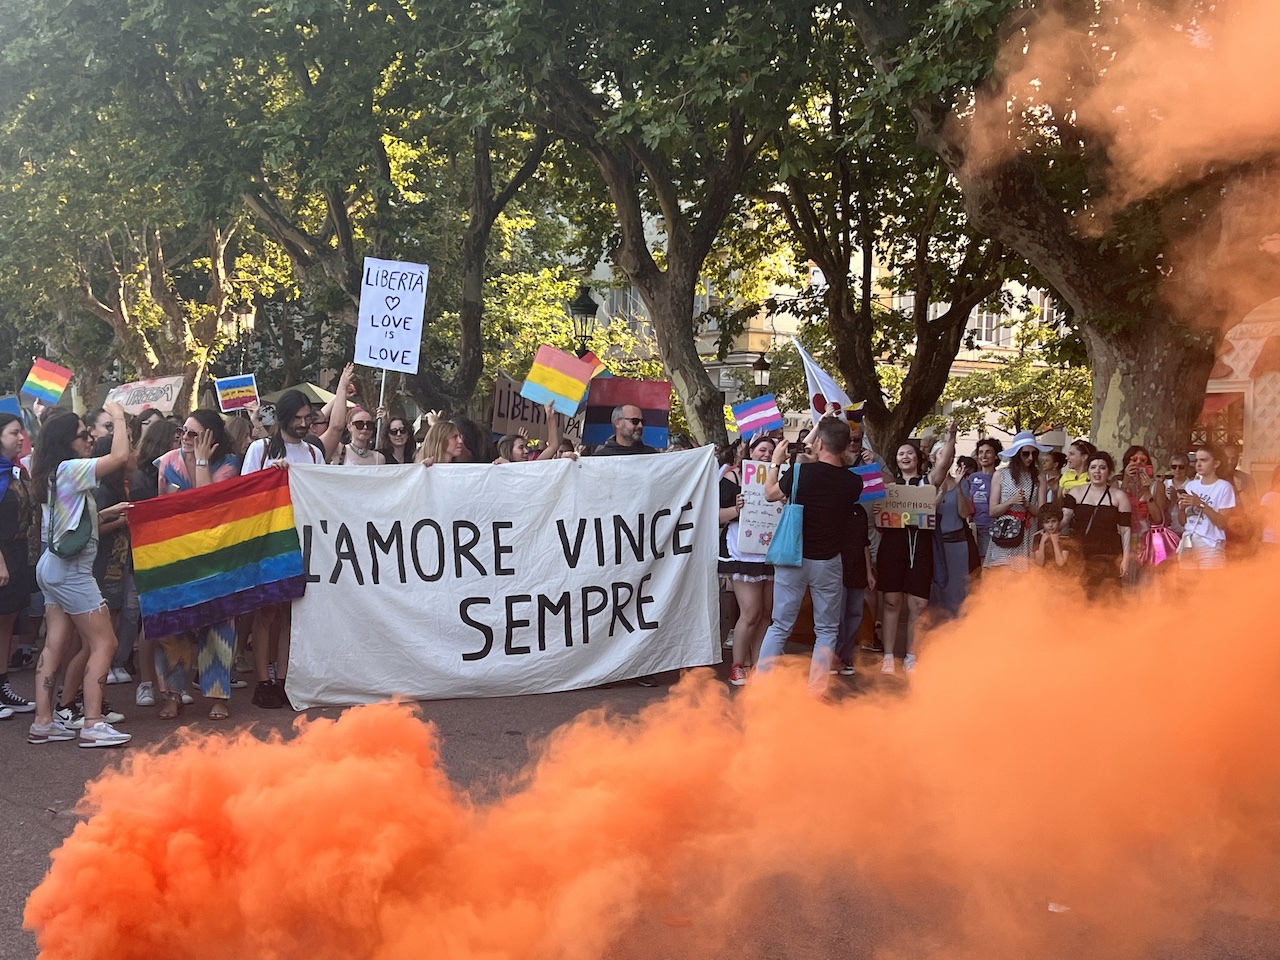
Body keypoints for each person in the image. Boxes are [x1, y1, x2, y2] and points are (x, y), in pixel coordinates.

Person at [241, 365, 354, 709]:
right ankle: (263, 680)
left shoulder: (314, 452)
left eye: (309, 417)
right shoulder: (260, 450)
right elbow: (243, 494)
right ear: (286, 418)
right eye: (301, 418)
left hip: (305, 540)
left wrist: (343, 388)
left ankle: (284, 677)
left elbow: (335, 432)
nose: (306, 424)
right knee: (267, 614)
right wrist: (269, 478)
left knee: (291, 613)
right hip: (269, 540)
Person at [28, 404, 134, 747]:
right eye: (83, 434)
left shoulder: (53, 472)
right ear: (66, 442)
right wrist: (118, 416)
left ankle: (44, 722)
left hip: (53, 567)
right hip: (72, 572)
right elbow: (119, 457)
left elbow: (70, 521)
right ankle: (92, 722)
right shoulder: (72, 469)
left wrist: (105, 513)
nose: (90, 437)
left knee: (55, 644)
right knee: (105, 642)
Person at [757, 415, 863, 696]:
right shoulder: (854, 484)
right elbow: (833, 464)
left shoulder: (802, 474)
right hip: (828, 562)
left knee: (780, 625)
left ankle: (762, 686)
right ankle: (816, 691)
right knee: (827, 629)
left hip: (793, 557)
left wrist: (776, 463)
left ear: (819, 442)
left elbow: (770, 494)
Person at [155, 410, 242, 720]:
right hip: (178, 557)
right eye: (184, 432)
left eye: (194, 434)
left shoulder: (228, 464)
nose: (186, 439)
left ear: (210, 437)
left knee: (219, 624)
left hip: (216, 557)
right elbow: (161, 508)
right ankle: (173, 694)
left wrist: (203, 460)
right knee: (174, 626)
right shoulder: (167, 463)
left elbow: (210, 504)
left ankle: (218, 696)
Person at [878, 425, 956, 674]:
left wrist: (951, 437)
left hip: (921, 547)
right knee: (891, 602)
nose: (905, 457)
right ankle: (888, 655)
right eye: (901, 454)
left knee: (918, 604)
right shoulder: (889, 485)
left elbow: (943, 464)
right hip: (893, 546)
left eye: (909, 453)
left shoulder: (927, 482)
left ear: (918, 458)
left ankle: (912, 654)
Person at [718, 435, 776, 685]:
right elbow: (715, 515)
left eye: (770, 451)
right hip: (743, 550)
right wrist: (737, 509)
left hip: (771, 551)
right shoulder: (732, 478)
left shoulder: (779, 478)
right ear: (750, 451)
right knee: (751, 612)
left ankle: (758, 664)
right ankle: (737, 665)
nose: (766, 454)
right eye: (762, 449)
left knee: (766, 614)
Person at [126, 418, 176, 709]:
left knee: (172, 622)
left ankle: (170, 684)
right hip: (147, 557)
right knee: (150, 622)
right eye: (174, 440)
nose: (180, 445)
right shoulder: (142, 478)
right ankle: (146, 683)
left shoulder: (182, 469)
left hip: (175, 554)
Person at [0, 413, 35, 718]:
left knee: (7, 621)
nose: (21, 438)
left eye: (21, 433)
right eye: (13, 433)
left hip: (18, 552)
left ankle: (3, 687)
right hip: (3, 555)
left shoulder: (16, 471)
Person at [1062, 451, 1132, 597]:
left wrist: (1125, 559)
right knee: (1078, 595)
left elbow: (1125, 530)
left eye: (1102, 467)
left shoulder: (1119, 496)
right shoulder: (1075, 492)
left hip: (1109, 553)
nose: (1097, 472)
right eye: (1093, 467)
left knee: (1109, 595)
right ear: (1088, 470)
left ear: (1109, 471)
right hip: (1081, 553)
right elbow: (1065, 519)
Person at [984, 430, 1049, 573]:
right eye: (1026, 453)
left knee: (1022, 582)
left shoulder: (1039, 477)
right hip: (1005, 534)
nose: (1030, 458)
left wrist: (1027, 505)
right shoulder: (1001, 474)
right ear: (1016, 454)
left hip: (1027, 534)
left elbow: (1044, 514)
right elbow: (992, 511)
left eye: (1034, 453)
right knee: (1002, 580)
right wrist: (1011, 502)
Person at [1174, 443, 1236, 570]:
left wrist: (1200, 504)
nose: (1198, 464)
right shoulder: (1191, 486)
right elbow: (1183, 522)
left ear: (1216, 464)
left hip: (1211, 544)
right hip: (1189, 541)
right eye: (1196, 460)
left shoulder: (1224, 487)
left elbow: (1222, 523)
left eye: (1204, 460)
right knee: (1186, 586)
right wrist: (1181, 509)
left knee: (1208, 587)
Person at [932, 440, 974, 619]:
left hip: (957, 543)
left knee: (957, 593)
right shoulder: (926, 482)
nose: (947, 459)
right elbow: (925, 512)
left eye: (950, 456)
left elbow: (964, 514)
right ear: (934, 458)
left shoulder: (962, 483)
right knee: (934, 594)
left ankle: (955, 637)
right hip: (934, 544)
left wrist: (957, 488)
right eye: (943, 454)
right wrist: (940, 492)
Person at [1120, 445, 1163, 582]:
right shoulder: (1118, 483)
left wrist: (1146, 491)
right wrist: (1125, 481)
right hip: (1123, 540)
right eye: (1134, 459)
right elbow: (1113, 510)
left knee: (1146, 585)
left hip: (1147, 543)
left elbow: (1158, 518)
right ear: (1127, 462)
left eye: (1143, 460)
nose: (1138, 463)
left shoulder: (1157, 486)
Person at [962, 438, 1002, 559]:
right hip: (973, 528)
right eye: (980, 452)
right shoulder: (972, 477)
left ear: (996, 456)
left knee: (986, 567)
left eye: (988, 452)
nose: (983, 455)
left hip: (991, 528)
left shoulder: (1001, 477)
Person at [593, 404, 658, 455]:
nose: (640, 426)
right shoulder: (600, 459)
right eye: (635, 421)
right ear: (618, 423)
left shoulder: (652, 456)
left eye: (642, 422)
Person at [1031, 501, 1071, 570]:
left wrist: (1055, 542)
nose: (1050, 525)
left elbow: (1061, 563)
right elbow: (1039, 563)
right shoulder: (1037, 537)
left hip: (1060, 577)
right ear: (1042, 524)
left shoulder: (1065, 539)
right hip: (1042, 576)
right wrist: (1042, 543)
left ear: (1059, 521)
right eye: (1047, 522)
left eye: (1054, 521)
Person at [1059, 439, 1095, 504]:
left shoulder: (1093, 478)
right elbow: (1058, 501)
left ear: (1084, 457)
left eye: (1071, 454)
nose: (1067, 458)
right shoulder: (1066, 475)